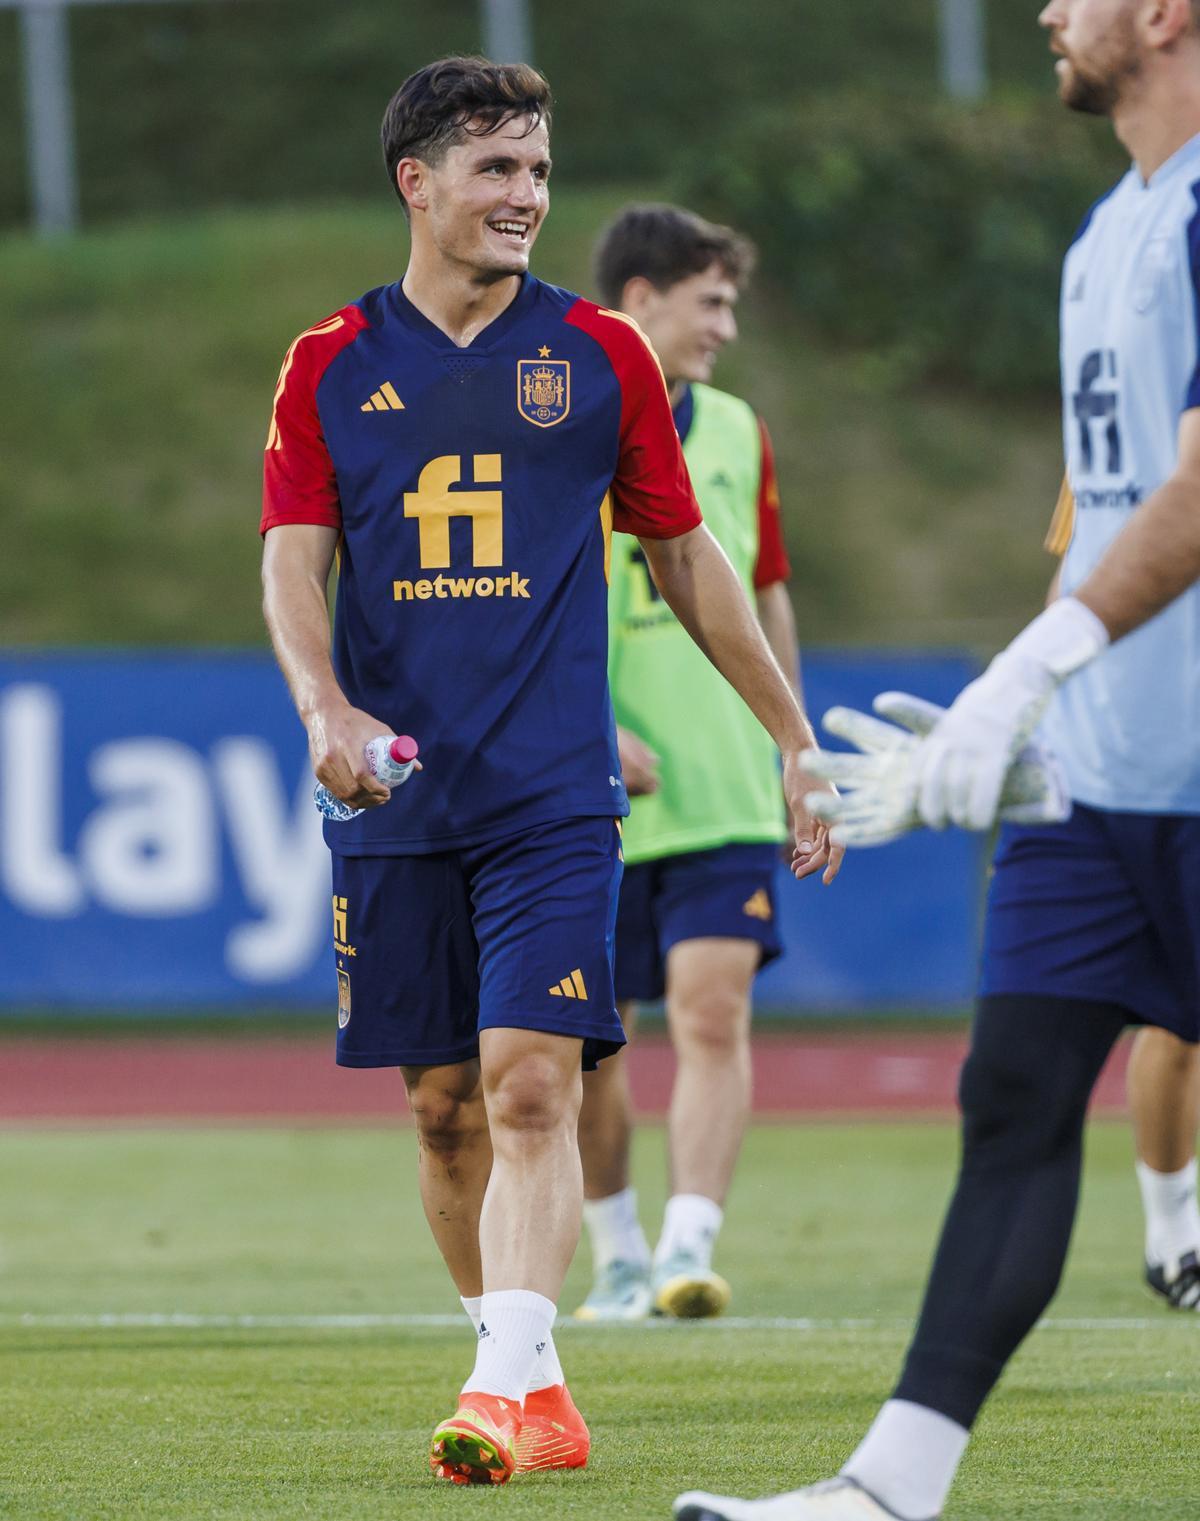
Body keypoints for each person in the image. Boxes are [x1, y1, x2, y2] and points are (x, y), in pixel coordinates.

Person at [258, 55, 841, 1490]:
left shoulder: (599, 356)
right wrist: (322, 699)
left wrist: (793, 734)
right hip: (396, 802)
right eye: (497, 168)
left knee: (531, 1089)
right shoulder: (330, 358)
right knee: (442, 1108)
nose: (528, 195)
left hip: (553, 796)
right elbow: (292, 555)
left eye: (538, 167)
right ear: (419, 181)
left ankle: (489, 1387)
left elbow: (689, 562)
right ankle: (535, 1374)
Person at [675, 0, 1200, 1516]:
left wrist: (1038, 664)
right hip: (1097, 788)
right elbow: (1105, 519)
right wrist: (1016, 705)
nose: (1047, 11)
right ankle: (890, 1489)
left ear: (1164, 13)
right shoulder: (1107, 226)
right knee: (1014, 1100)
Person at [573, 205, 800, 1323]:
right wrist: (582, 726)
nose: (724, 327)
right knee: (584, 1048)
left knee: (714, 1013)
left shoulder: (739, 431)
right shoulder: (556, 411)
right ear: (640, 297)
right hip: (582, 796)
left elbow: (760, 587)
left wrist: (791, 741)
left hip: (721, 788)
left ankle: (685, 1252)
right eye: (708, 302)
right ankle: (614, 1254)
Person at [1047, 488, 1200, 1310]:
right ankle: (1174, 1229)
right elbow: (1073, 583)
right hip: (1160, 758)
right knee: (1177, 1016)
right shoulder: (1118, 415)